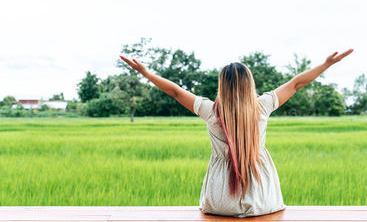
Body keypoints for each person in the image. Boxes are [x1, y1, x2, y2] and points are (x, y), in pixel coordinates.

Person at [119, 48, 354, 218]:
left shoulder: (210, 111)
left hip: (219, 201)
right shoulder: (263, 106)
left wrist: (147, 74)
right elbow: (295, 84)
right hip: (263, 200)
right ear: (249, 84)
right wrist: (326, 65)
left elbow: (176, 92)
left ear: (222, 86)